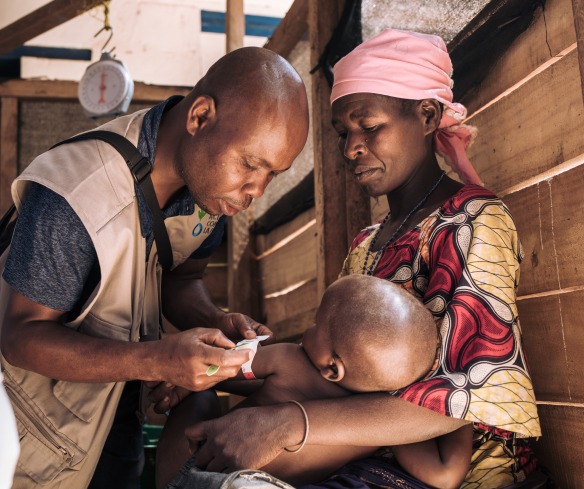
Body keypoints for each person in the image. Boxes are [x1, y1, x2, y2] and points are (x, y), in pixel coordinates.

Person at [179, 29, 544, 489]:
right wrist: (211, 372)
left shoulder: (472, 222)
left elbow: (467, 396)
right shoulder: (367, 244)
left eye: (368, 127)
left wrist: (292, 424)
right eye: (343, 133)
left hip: (463, 473)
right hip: (368, 455)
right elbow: (327, 367)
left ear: (427, 115)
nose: (352, 147)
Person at [0, 46, 309, 489]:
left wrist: (214, 321)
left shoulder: (208, 187)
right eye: (250, 164)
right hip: (30, 435)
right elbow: (20, 337)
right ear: (200, 117)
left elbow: (182, 279)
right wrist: (158, 360)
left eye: (273, 174)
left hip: (113, 416)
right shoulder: (76, 195)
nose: (255, 189)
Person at [157, 274, 473, 489]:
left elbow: (220, 367)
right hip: (247, 484)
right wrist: (467, 413)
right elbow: (445, 473)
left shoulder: (289, 360)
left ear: (332, 367)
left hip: (192, 467)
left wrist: (183, 383)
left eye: (315, 323)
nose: (307, 330)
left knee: (200, 398)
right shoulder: (380, 425)